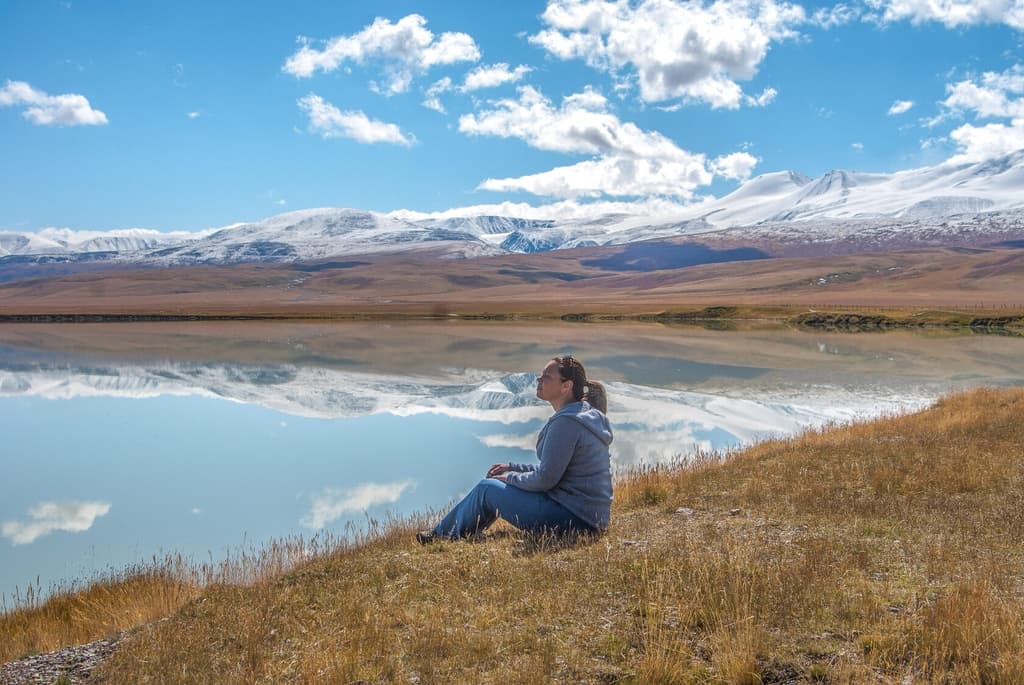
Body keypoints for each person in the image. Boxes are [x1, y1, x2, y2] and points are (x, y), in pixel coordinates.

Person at [417, 355, 613, 543]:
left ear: (566, 386)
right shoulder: (582, 416)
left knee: (486, 489)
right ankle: (461, 531)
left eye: (546, 377)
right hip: (590, 518)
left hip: (574, 520)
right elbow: (554, 471)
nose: (539, 379)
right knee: (494, 486)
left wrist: (509, 478)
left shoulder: (566, 423)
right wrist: (512, 467)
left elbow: (546, 479)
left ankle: (441, 536)